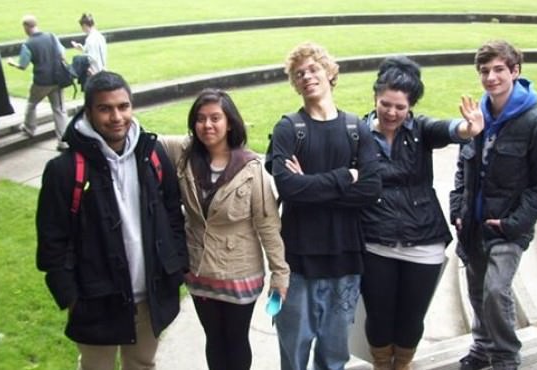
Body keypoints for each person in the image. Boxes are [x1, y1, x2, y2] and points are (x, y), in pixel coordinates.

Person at [35, 71, 188, 370]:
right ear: (89, 111)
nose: (117, 116)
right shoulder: (64, 169)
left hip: (151, 294)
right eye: (105, 108)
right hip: (95, 299)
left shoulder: (152, 154)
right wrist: (70, 297)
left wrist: (178, 263)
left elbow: (172, 213)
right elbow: (52, 240)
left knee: (142, 364)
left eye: (123, 106)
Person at [360, 56, 484, 370]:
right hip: (375, 241)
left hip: (423, 240)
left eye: (400, 107)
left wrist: (467, 128)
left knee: (411, 318)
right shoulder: (357, 133)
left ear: (411, 107)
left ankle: (402, 365)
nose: (391, 113)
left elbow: (450, 129)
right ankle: (380, 364)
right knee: (378, 315)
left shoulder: (421, 130)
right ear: (375, 97)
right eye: (385, 104)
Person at [449, 40, 537, 370]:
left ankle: (505, 357)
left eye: (499, 69)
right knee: (476, 289)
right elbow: (462, 168)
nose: (491, 77)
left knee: (496, 291)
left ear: (515, 71)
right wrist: (458, 210)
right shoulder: (476, 117)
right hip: (472, 222)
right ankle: (482, 348)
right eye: (484, 71)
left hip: (509, 226)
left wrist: (514, 223)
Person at [270, 41, 382, 370]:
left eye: (314, 69)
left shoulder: (355, 128)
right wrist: (345, 176)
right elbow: (289, 188)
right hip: (296, 263)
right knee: (293, 353)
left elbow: (371, 189)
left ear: (330, 72)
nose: (307, 76)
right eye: (299, 73)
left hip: (346, 260)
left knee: (334, 357)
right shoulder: (288, 128)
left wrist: (312, 185)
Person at [159, 88, 290, 370]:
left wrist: (280, 274)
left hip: (239, 271)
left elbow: (268, 223)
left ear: (229, 122)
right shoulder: (183, 153)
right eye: (201, 118)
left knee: (236, 340)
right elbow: (141, 139)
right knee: (214, 339)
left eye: (215, 118)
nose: (207, 125)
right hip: (199, 269)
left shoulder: (251, 169)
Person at [8, 14, 68, 150]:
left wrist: (12, 63)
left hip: (41, 82)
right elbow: (62, 54)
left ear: (26, 27)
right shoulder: (52, 37)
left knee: (31, 104)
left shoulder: (28, 44)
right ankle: (63, 142)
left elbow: (23, 65)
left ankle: (29, 129)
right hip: (57, 79)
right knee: (59, 110)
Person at [70, 13, 106, 85]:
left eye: (82, 27)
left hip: (94, 72)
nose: (82, 30)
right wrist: (81, 48)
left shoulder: (90, 39)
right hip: (101, 69)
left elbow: (91, 57)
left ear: (85, 26)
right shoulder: (100, 36)